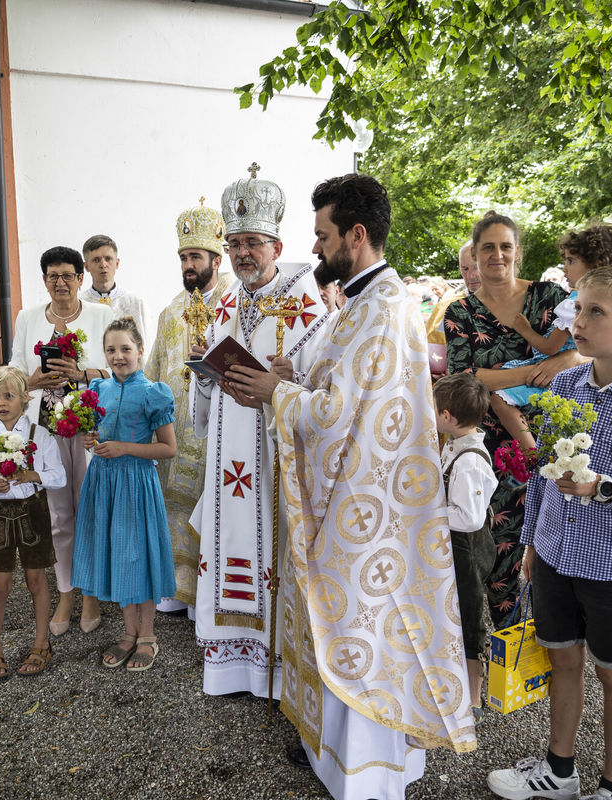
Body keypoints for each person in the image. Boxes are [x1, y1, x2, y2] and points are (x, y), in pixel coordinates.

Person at [226, 172, 475, 800]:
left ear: (356, 236)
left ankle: (367, 772)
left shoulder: (385, 308)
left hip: (369, 505)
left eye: (322, 234)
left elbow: (341, 417)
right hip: (354, 499)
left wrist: (274, 392)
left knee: (364, 628)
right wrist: (290, 375)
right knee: (341, 628)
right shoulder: (362, 301)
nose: (315, 248)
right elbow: (341, 387)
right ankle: (328, 750)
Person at [489, 265, 612, 800]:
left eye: (595, 312)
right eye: (578, 308)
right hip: (555, 552)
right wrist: (533, 541)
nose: (578, 321)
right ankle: (559, 769)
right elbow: (541, 476)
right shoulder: (567, 383)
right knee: (562, 659)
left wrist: (605, 488)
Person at [187, 163, 330, 699]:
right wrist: (202, 370)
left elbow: (326, 383)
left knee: (276, 550)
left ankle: (278, 670)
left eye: (254, 243)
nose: (243, 253)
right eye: (236, 243)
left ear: (276, 244)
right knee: (229, 542)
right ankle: (233, 666)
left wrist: (291, 377)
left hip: (276, 455)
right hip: (228, 452)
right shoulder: (222, 300)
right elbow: (206, 384)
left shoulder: (307, 304)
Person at [444, 212, 580, 625]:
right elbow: (465, 376)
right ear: (476, 253)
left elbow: (581, 348)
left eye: (505, 246)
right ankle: (503, 642)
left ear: (517, 252)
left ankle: (556, 638)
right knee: (499, 542)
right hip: (490, 442)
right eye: (488, 247)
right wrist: (528, 373)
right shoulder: (460, 312)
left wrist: (563, 361)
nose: (497, 255)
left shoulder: (550, 297)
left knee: (557, 539)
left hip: (556, 434)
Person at [9, 246, 115, 636]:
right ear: (44, 280)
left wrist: (82, 372)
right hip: (46, 430)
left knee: (88, 508)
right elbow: (14, 372)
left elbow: (123, 366)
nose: (60, 283)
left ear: (81, 278)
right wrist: (32, 381)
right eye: (53, 276)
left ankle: (90, 592)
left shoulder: (101, 315)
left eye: (68, 276)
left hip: (89, 428)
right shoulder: (28, 318)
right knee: (57, 516)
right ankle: (66, 591)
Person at [144, 200, 235, 614]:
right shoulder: (170, 312)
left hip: (220, 429)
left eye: (194, 256)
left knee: (214, 508)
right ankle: (177, 586)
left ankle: (210, 591)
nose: (187, 265)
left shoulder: (236, 305)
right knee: (173, 504)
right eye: (183, 257)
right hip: (174, 432)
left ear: (216, 259)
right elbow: (154, 370)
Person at [73, 317, 177, 672]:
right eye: (111, 350)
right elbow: (94, 435)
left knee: (137, 556)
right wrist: (89, 440)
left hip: (134, 483)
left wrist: (124, 448)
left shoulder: (153, 392)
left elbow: (168, 449)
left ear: (140, 351)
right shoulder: (98, 389)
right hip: (103, 483)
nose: (118, 356)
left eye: (126, 349)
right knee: (117, 554)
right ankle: (128, 633)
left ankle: (147, 635)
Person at [0, 366, 67, 681]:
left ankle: (41, 642)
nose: (2, 403)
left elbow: (58, 477)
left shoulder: (40, 436)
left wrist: (35, 475)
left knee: (37, 581)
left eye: (9, 396)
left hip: (33, 513)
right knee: (0, 586)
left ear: (25, 398)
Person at [489, 225, 612, 451]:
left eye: (571, 261)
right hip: (589, 375)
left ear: (595, 266)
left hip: (556, 372)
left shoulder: (575, 303)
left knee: (499, 398)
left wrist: (525, 330)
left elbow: (551, 348)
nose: (565, 267)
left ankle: (532, 453)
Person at [433, 371, 499, 722]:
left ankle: (472, 697)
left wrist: (430, 513)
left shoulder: (470, 460)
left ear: (447, 417)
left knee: (470, 619)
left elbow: (469, 518)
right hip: (456, 548)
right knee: (453, 614)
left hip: (467, 550)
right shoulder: (457, 443)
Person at [426, 240, 480, 377]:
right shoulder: (449, 303)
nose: (470, 276)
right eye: (465, 269)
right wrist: (437, 368)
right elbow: (433, 346)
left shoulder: (516, 302)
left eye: (476, 267)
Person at [79, 234, 147, 338]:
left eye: (108, 258)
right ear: (86, 266)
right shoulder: (79, 304)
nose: (103, 264)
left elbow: (143, 347)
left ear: (117, 263)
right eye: (96, 260)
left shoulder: (134, 302)